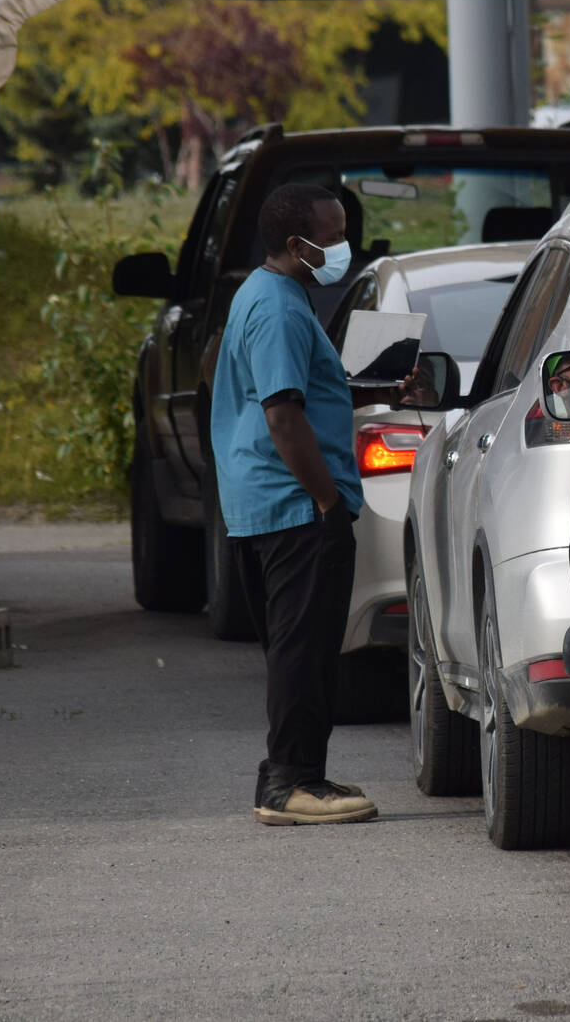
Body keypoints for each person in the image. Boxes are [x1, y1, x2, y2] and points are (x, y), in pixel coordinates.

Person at [211, 182, 401, 827]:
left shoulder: (268, 296)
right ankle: (290, 783)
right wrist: (327, 503)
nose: (346, 246)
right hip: (294, 507)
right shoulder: (281, 310)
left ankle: (295, 775)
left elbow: (293, 391)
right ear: (298, 244)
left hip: (270, 501)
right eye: (335, 234)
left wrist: (371, 387)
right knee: (303, 649)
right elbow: (283, 415)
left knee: (301, 648)